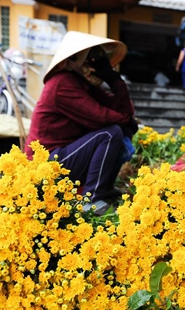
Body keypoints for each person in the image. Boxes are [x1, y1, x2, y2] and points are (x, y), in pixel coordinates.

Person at [24, 31, 138, 215]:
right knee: (111, 133)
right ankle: (91, 200)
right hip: (44, 165)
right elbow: (102, 117)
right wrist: (126, 119)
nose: (92, 67)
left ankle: (104, 187)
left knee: (122, 129)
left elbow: (124, 111)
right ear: (73, 61)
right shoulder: (62, 83)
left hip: (65, 156)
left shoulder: (85, 85)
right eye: (89, 60)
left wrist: (114, 80)